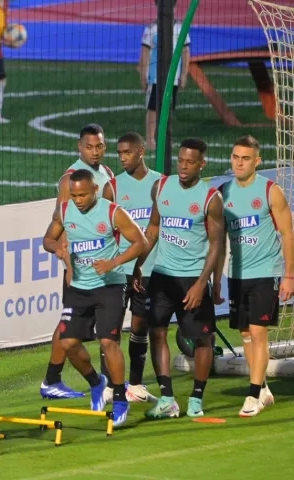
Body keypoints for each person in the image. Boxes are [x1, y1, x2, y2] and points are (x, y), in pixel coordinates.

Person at [42, 169, 147, 427]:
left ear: (95, 191)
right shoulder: (65, 211)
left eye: (83, 195)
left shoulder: (113, 212)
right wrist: (57, 247)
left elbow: (141, 242)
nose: (78, 199)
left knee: (108, 342)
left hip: (109, 287)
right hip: (79, 288)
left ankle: (120, 397)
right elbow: (47, 239)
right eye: (74, 195)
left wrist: (114, 263)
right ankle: (96, 382)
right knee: (67, 343)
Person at [133, 138, 224, 419]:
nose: (183, 167)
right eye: (181, 161)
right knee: (156, 332)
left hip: (191, 281)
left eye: (190, 162)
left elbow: (216, 245)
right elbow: (153, 230)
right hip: (161, 277)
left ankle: (196, 399)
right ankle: (167, 399)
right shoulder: (161, 187)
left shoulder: (211, 198)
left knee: (202, 341)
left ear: (201, 164)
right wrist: (139, 265)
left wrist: (202, 283)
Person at [216, 135, 294, 417]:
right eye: (235, 157)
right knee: (246, 333)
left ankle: (252, 397)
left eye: (245, 158)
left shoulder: (270, 191)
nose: (239, 162)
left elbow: (287, 233)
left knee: (259, 332)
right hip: (237, 274)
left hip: (266, 272)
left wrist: (289, 275)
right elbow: (217, 237)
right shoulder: (224, 192)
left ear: (257, 162)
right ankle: (261, 388)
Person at [40, 123, 115, 400]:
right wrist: (69, 266)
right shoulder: (70, 179)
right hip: (81, 270)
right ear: (79, 147)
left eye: (99, 146)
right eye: (88, 147)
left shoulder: (106, 173)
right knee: (69, 326)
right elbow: (60, 225)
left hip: (105, 267)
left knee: (104, 329)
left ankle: (105, 383)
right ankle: (53, 379)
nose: (94, 152)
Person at [102, 132, 161, 404]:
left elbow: (161, 226)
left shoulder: (160, 184)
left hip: (150, 269)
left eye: (127, 152)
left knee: (141, 326)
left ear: (141, 151)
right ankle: (108, 386)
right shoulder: (112, 187)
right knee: (110, 329)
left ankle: (135, 384)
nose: (123, 157)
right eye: (120, 153)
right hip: (119, 271)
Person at [139, 0, 191, 151]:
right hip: (154, 76)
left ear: (175, 7)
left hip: (173, 77)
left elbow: (185, 52)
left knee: (168, 108)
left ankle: (165, 138)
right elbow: (145, 53)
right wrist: (143, 75)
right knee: (153, 108)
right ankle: (150, 140)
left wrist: (184, 74)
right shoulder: (152, 29)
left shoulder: (180, 29)